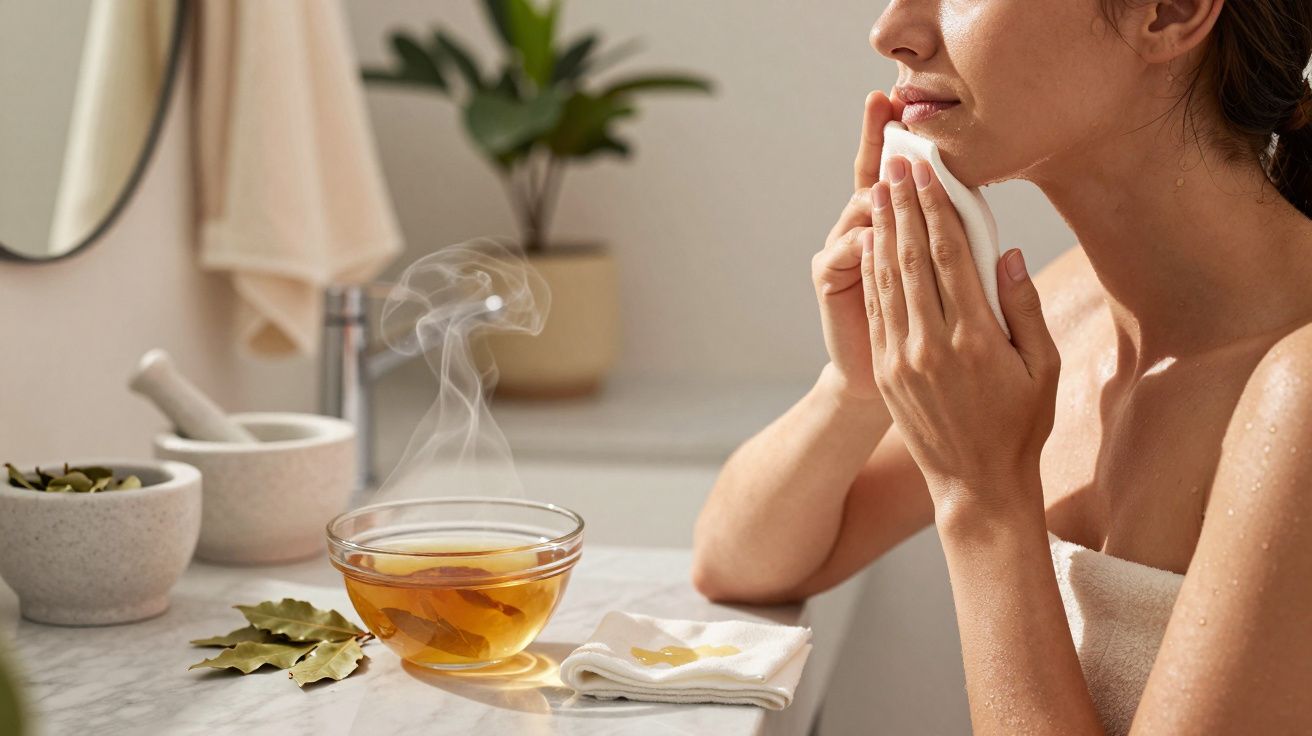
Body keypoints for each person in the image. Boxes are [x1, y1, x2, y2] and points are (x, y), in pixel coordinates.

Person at [691, 0, 1312, 732]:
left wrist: (983, 501)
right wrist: (859, 389)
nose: (891, 31)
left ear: (1169, 12)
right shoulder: (1070, 310)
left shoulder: (1297, 397)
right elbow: (739, 560)